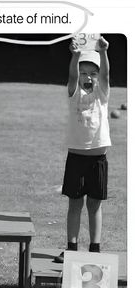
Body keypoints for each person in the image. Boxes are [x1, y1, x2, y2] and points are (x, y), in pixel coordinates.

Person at [54, 36, 111, 262]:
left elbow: (106, 75)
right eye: (84, 73)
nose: (88, 77)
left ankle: (95, 249)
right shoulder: (74, 94)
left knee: (95, 205)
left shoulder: (102, 95)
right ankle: (71, 248)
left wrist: (104, 52)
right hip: (76, 157)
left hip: (98, 158)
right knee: (75, 204)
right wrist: (76, 55)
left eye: (93, 73)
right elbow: (72, 76)